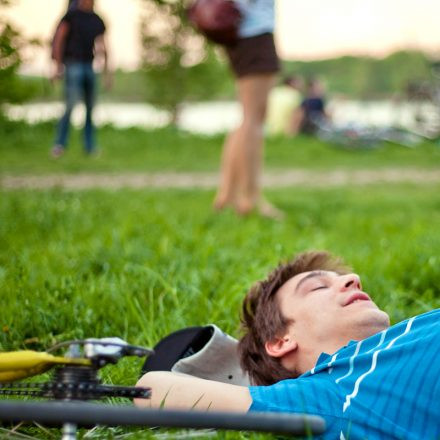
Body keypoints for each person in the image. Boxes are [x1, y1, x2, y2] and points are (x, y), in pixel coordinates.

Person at [135, 251, 440, 439]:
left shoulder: (404, 338)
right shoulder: (333, 391)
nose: (354, 279)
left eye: (344, 277)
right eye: (319, 286)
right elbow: (151, 389)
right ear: (281, 341)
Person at [213, 0, 282, 219]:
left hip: (243, 31)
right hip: (254, 30)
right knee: (254, 119)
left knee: (248, 118)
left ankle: (227, 195)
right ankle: (249, 197)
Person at [51, 0, 111, 158]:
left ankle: (90, 147)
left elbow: (103, 47)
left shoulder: (96, 19)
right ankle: (59, 145)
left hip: (89, 65)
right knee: (70, 105)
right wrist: (57, 66)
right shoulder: (71, 16)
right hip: (72, 64)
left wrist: (107, 73)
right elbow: (59, 39)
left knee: (90, 108)